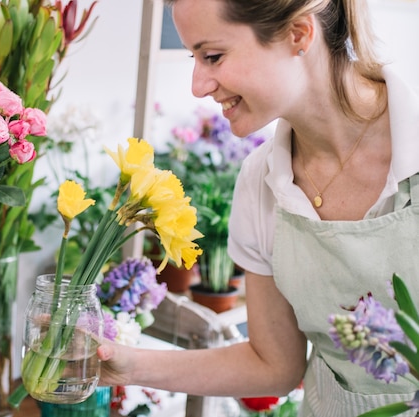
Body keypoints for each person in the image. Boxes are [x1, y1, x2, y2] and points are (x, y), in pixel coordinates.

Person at [96, 0, 419, 415]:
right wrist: (126, 365)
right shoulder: (260, 181)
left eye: (212, 56)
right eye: (194, 58)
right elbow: (274, 365)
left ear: (298, 34)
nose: (197, 84)